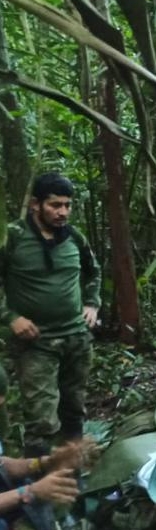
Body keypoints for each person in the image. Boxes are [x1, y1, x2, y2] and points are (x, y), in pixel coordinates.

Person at [0, 172, 100, 456]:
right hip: (36, 343)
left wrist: (92, 304)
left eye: (67, 205)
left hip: (76, 338)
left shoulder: (74, 238)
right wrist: (11, 318)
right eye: (55, 205)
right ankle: (39, 489)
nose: (63, 212)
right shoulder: (13, 238)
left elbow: (93, 272)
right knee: (42, 421)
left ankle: (71, 480)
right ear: (35, 204)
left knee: (74, 410)